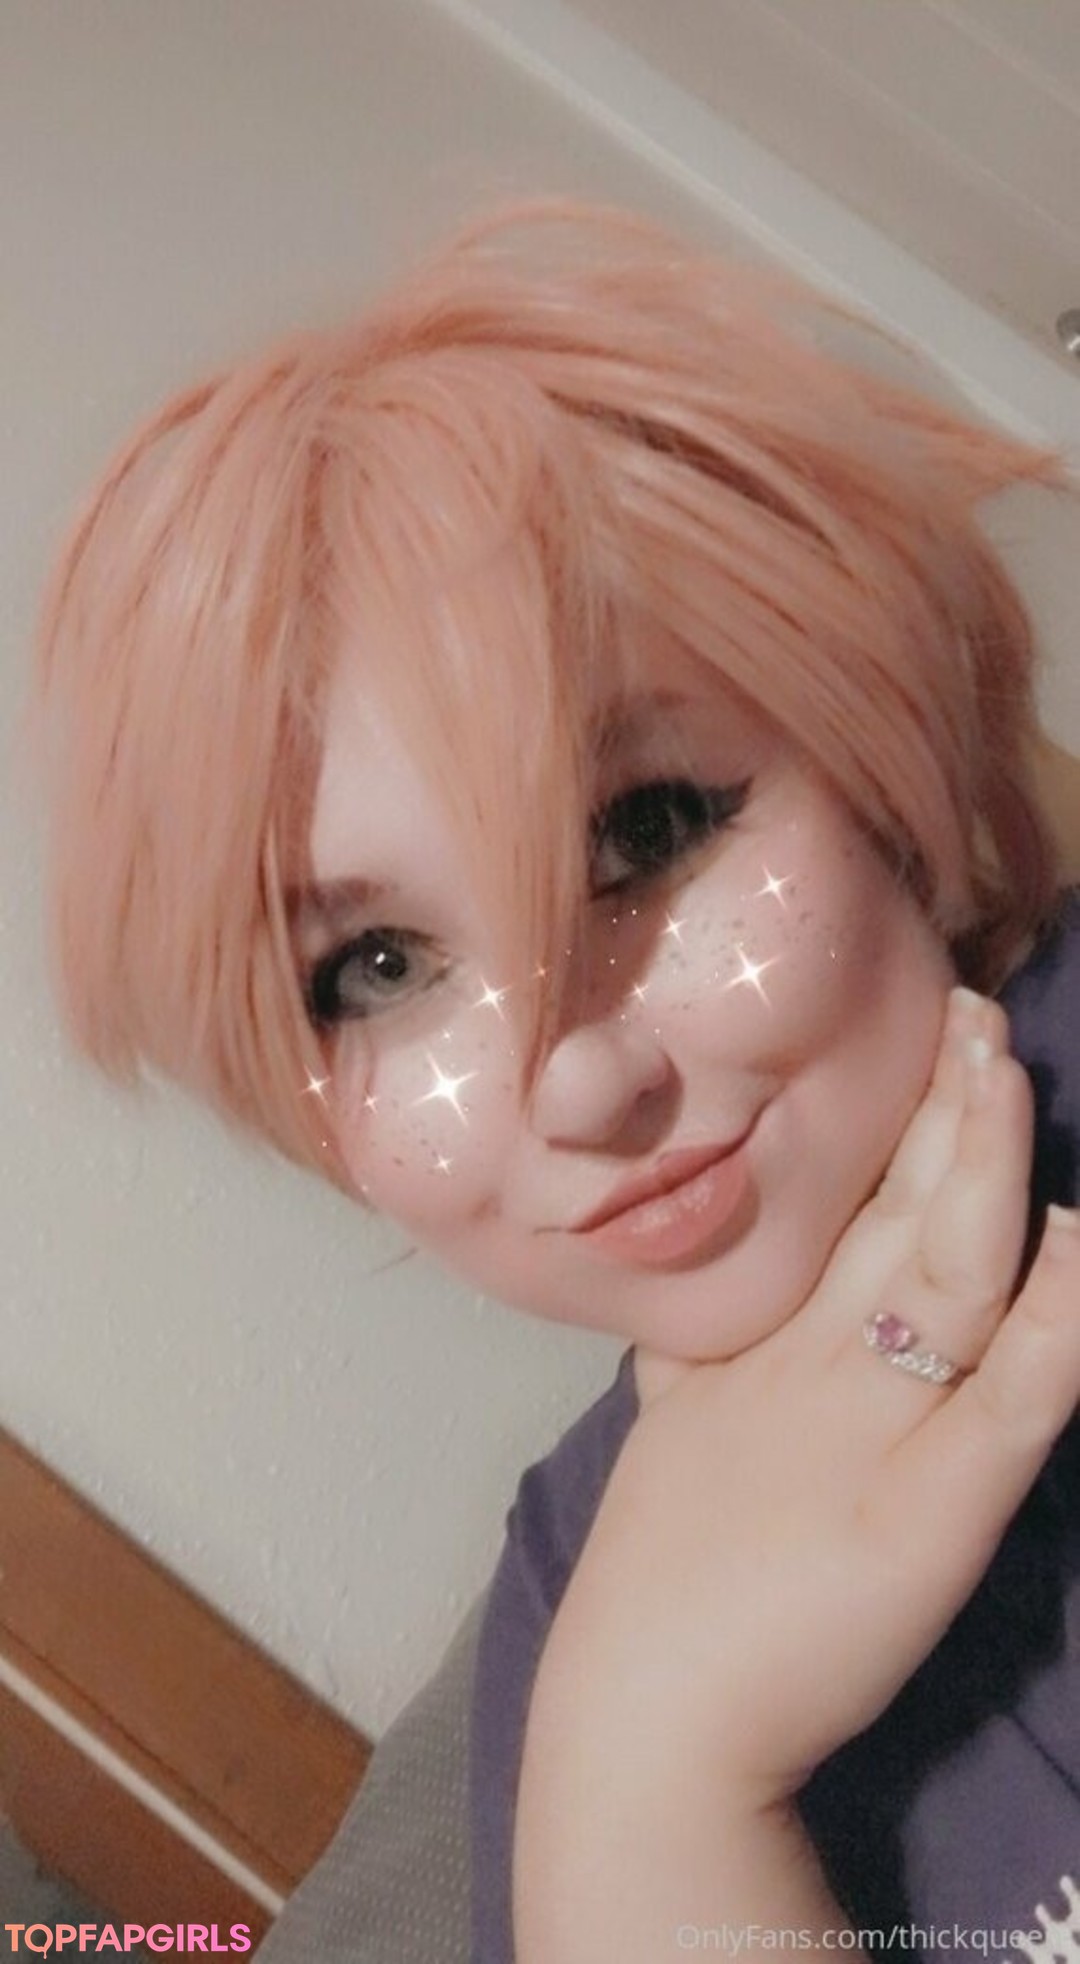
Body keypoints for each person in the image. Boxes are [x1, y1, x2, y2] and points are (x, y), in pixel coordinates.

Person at [34, 203, 1080, 1962]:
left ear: (880, 756)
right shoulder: (573, 1622)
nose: (577, 1078)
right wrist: (651, 1788)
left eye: (645, 829)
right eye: (376, 969)